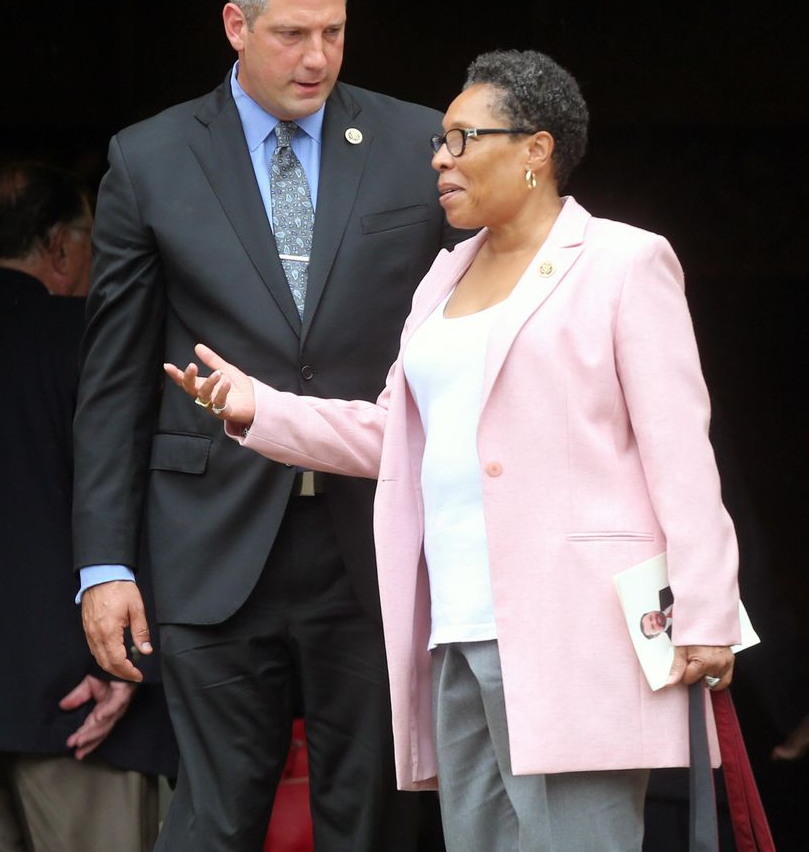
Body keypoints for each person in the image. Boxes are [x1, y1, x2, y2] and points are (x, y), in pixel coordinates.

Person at [166, 50, 743, 851]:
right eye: (441, 141)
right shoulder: (443, 278)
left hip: (578, 628)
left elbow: (681, 451)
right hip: (456, 626)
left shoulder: (623, 262)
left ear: (535, 150)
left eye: (464, 139)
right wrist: (258, 407)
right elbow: (395, 438)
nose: (440, 158)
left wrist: (707, 613)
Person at [72, 0, 464, 851]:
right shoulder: (150, 158)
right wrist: (104, 564)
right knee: (213, 820)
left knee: (374, 820)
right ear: (235, 25)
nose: (318, 56)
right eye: (293, 33)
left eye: (334, 31)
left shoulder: (419, 143)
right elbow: (114, 381)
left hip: (373, 536)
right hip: (208, 539)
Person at [0, 162, 177, 852]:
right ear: (63, 247)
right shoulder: (85, 340)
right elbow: (141, 497)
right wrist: (131, 658)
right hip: (75, 700)